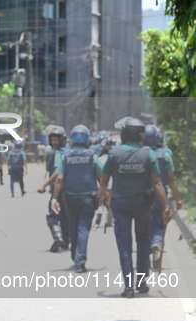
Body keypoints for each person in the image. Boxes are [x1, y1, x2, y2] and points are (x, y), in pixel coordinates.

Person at [100, 117, 172, 298]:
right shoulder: (148, 153)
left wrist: (103, 194)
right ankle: (141, 281)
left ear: (125, 134)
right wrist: (165, 206)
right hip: (143, 204)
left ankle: (128, 287)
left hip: (121, 203)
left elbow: (105, 177)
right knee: (143, 241)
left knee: (124, 244)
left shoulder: (114, 153)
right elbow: (156, 181)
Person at [51, 125, 103, 273]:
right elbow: (101, 175)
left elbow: (59, 178)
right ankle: (80, 261)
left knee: (73, 228)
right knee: (83, 229)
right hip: (88, 199)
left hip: (70, 199)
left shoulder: (65, 156)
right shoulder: (92, 155)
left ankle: (76, 257)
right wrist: (105, 194)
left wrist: (54, 199)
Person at [143, 125, 183, 268]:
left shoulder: (141, 154)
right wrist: (178, 199)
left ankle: (148, 248)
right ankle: (156, 243)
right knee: (159, 223)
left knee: (144, 224)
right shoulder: (165, 155)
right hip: (161, 196)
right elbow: (171, 179)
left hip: (142, 196)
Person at [38, 127, 70, 252]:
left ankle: (58, 237)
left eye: (56, 140)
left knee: (53, 215)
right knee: (65, 216)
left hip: (58, 188)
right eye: (52, 140)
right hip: (68, 189)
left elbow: (57, 172)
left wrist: (44, 185)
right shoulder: (68, 152)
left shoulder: (56, 153)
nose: (54, 142)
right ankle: (66, 240)